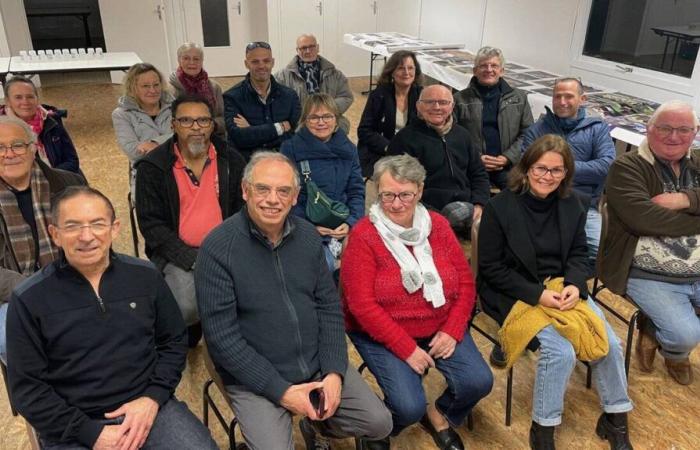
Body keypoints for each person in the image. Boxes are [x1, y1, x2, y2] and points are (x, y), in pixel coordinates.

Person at [195, 152, 392, 450]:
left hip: (315, 364)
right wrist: (282, 392)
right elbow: (223, 340)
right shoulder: (217, 248)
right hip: (255, 376)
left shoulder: (309, 239)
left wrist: (335, 373)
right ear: (245, 191)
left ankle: (319, 425)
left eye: (283, 191)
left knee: (379, 423)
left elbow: (328, 309)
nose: (273, 199)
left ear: (295, 197)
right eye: (262, 189)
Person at [6, 186, 218, 450]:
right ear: (55, 235)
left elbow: (173, 341)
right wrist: (90, 433)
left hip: (148, 409)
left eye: (97, 224)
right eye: (72, 226)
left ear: (114, 228)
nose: (87, 236)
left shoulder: (145, 277)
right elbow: (28, 389)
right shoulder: (29, 299)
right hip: (74, 424)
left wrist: (152, 398)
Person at [478, 135, 633, 450]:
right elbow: (492, 269)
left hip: (563, 287)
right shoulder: (500, 206)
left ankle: (616, 418)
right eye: (540, 168)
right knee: (560, 352)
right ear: (526, 167)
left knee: (611, 343)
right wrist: (538, 295)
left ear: (566, 173)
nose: (546, 176)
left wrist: (575, 285)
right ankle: (543, 428)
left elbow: (578, 255)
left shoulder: (573, 203)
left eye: (556, 170)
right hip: (516, 291)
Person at [341, 154, 493, 450]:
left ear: (420, 191)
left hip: (439, 325)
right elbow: (361, 305)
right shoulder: (364, 235)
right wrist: (405, 348)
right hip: (383, 332)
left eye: (405, 195)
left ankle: (439, 414)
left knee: (478, 382)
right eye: (387, 195)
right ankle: (379, 429)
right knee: (408, 406)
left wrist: (452, 330)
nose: (396, 204)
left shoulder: (437, 225)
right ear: (378, 192)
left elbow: (464, 283)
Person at [599, 100, 700, 386]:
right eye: (665, 128)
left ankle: (658, 324)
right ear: (648, 128)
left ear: (695, 132)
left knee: (685, 327)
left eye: (683, 129)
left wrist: (685, 199)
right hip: (648, 270)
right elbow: (645, 220)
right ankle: (673, 351)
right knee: (685, 335)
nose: (674, 136)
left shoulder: (698, 160)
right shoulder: (627, 165)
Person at [135, 93, 245, 347]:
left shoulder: (232, 160)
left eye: (203, 121)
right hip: (178, 254)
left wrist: (229, 250)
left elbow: (243, 209)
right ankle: (189, 337)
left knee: (251, 295)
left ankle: (230, 342)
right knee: (185, 306)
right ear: (173, 125)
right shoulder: (153, 167)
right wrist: (193, 259)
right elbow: (151, 225)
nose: (196, 128)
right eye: (186, 121)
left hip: (227, 248)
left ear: (212, 125)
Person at [0, 116, 84, 364]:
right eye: (0, 148)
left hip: (73, 281)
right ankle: (42, 397)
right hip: (12, 294)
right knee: (10, 339)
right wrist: (30, 289)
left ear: (33, 147)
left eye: (17, 145)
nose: (9, 154)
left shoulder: (69, 184)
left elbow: (93, 240)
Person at [521, 77, 615, 269]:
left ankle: (572, 285)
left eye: (569, 96)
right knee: (537, 250)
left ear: (582, 99)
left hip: (584, 206)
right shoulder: (537, 130)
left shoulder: (597, 129)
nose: (562, 102)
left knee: (599, 256)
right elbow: (526, 165)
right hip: (543, 203)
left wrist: (556, 169)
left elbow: (606, 166)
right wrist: (580, 169)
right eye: (558, 96)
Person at [388, 84, 490, 236]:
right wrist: (435, 217)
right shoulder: (404, 139)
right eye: (429, 102)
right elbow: (400, 187)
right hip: (427, 209)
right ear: (418, 106)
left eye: (443, 102)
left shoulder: (463, 135)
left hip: (466, 204)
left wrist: (479, 204)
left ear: (452, 106)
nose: (436, 107)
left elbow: (479, 174)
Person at [280, 93, 364, 272]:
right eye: (314, 117)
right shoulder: (291, 149)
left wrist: (350, 222)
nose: (321, 122)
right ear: (304, 120)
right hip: (305, 227)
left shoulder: (348, 149)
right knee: (323, 268)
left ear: (336, 120)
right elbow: (286, 196)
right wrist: (309, 228)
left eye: (327, 116)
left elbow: (356, 191)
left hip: (342, 226)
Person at [454, 46, 533, 189]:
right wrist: (476, 157)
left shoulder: (519, 98)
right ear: (475, 71)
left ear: (502, 71)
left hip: (509, 166)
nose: (489, 69)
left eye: (494, 65)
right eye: (483, 65)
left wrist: (507, 158)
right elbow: (453, 134)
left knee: (520, 197)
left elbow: (528, 133)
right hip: (471, 166)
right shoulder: (460, 99)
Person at [223, 41, 301, 160]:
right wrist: (279, 128)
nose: (261, 66)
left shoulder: (290, 96)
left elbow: (296, 135)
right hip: (249, 164)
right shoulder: (232, 97)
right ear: (246, 64)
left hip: (283, 160)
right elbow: (239, 138)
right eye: (255, 62)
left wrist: (252, 130)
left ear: (273, 62)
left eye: (266, 61)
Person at [357, 50, 423, 178]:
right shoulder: (379, 95)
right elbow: (364, 130)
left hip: (412, 153)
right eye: (400, 68)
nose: (406, 72)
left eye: (410, 68)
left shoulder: (421, 95)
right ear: (392, 71)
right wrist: (388, 147)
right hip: (382, 151)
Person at [0, 76, 81, 174]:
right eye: (18, 97)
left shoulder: (51, 120)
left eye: (30, 96)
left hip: (57, 179)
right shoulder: (3, 128)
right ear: (8, 102)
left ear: (37, 99)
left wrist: (49, 177)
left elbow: (71, 160)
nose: (25, 102)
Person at [276, 34, 354, 133]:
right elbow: (278, 102)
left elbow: (346, 96)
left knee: (342, 128)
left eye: (311, 47)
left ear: (317, 48)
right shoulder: (282, 76)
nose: (308, 51)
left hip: (329, 119)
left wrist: (325, 111)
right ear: (297, 50)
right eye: (304, 48)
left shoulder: (335, 74)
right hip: (299, 122)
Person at [112, 63, 174, 166]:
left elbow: (188, 138)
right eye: (145, 86)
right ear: (133, 88)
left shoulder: (176, 107)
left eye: (156, 84)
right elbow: (133, 151)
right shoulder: (121, 115)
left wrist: (155, 143)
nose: (152, 90)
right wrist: (172, 142)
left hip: (179, 170)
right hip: (146, 172)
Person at [169, 42, 226, 138]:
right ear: (179, 60)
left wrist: (210, 125)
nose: (192, 62)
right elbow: (169, 123)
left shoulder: (215, 87)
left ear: (202, 61)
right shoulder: (169, 89)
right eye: (186, 58)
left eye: (196, 59)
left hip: (213, 138)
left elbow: (224, 119)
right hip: (181, 140)